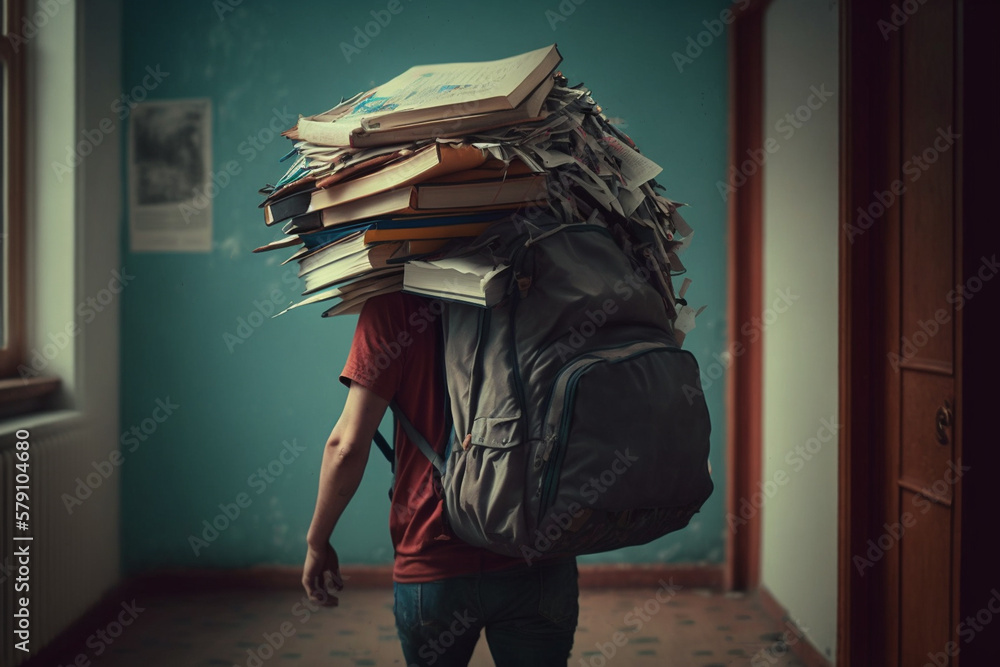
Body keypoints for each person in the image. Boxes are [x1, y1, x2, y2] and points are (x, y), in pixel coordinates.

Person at [302, 291, 579, 666]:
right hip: (537, 549)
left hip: (432, 557)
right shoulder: (547, 289)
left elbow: (346, 447)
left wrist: (317, 541)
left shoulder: (394, 306)